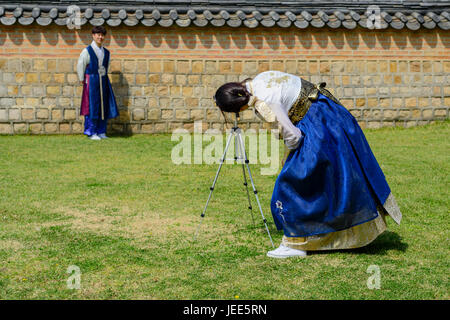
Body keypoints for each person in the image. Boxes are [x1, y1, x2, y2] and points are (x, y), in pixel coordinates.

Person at [213, 71, 402, 258]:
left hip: (318, 125)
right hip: (328, 113)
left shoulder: (265, 102)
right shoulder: (260, 79)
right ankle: (342, 232)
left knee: (293, 181)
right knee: (334, 177)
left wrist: (288, 155)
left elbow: (294, 136)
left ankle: (297, 244)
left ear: (237, 108)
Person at [77, 26, 118, 140]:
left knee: (103, 105)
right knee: (92, 106)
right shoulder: (87, 51)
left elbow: (106, 66)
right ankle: (91, 131)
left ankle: (101, 131)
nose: (100, 37)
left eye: (102, 35)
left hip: (103, 80)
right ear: (93, 35)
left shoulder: (106, 52)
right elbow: (81, 64)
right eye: (98, 35)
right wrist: (82, 78)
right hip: (92, 80)